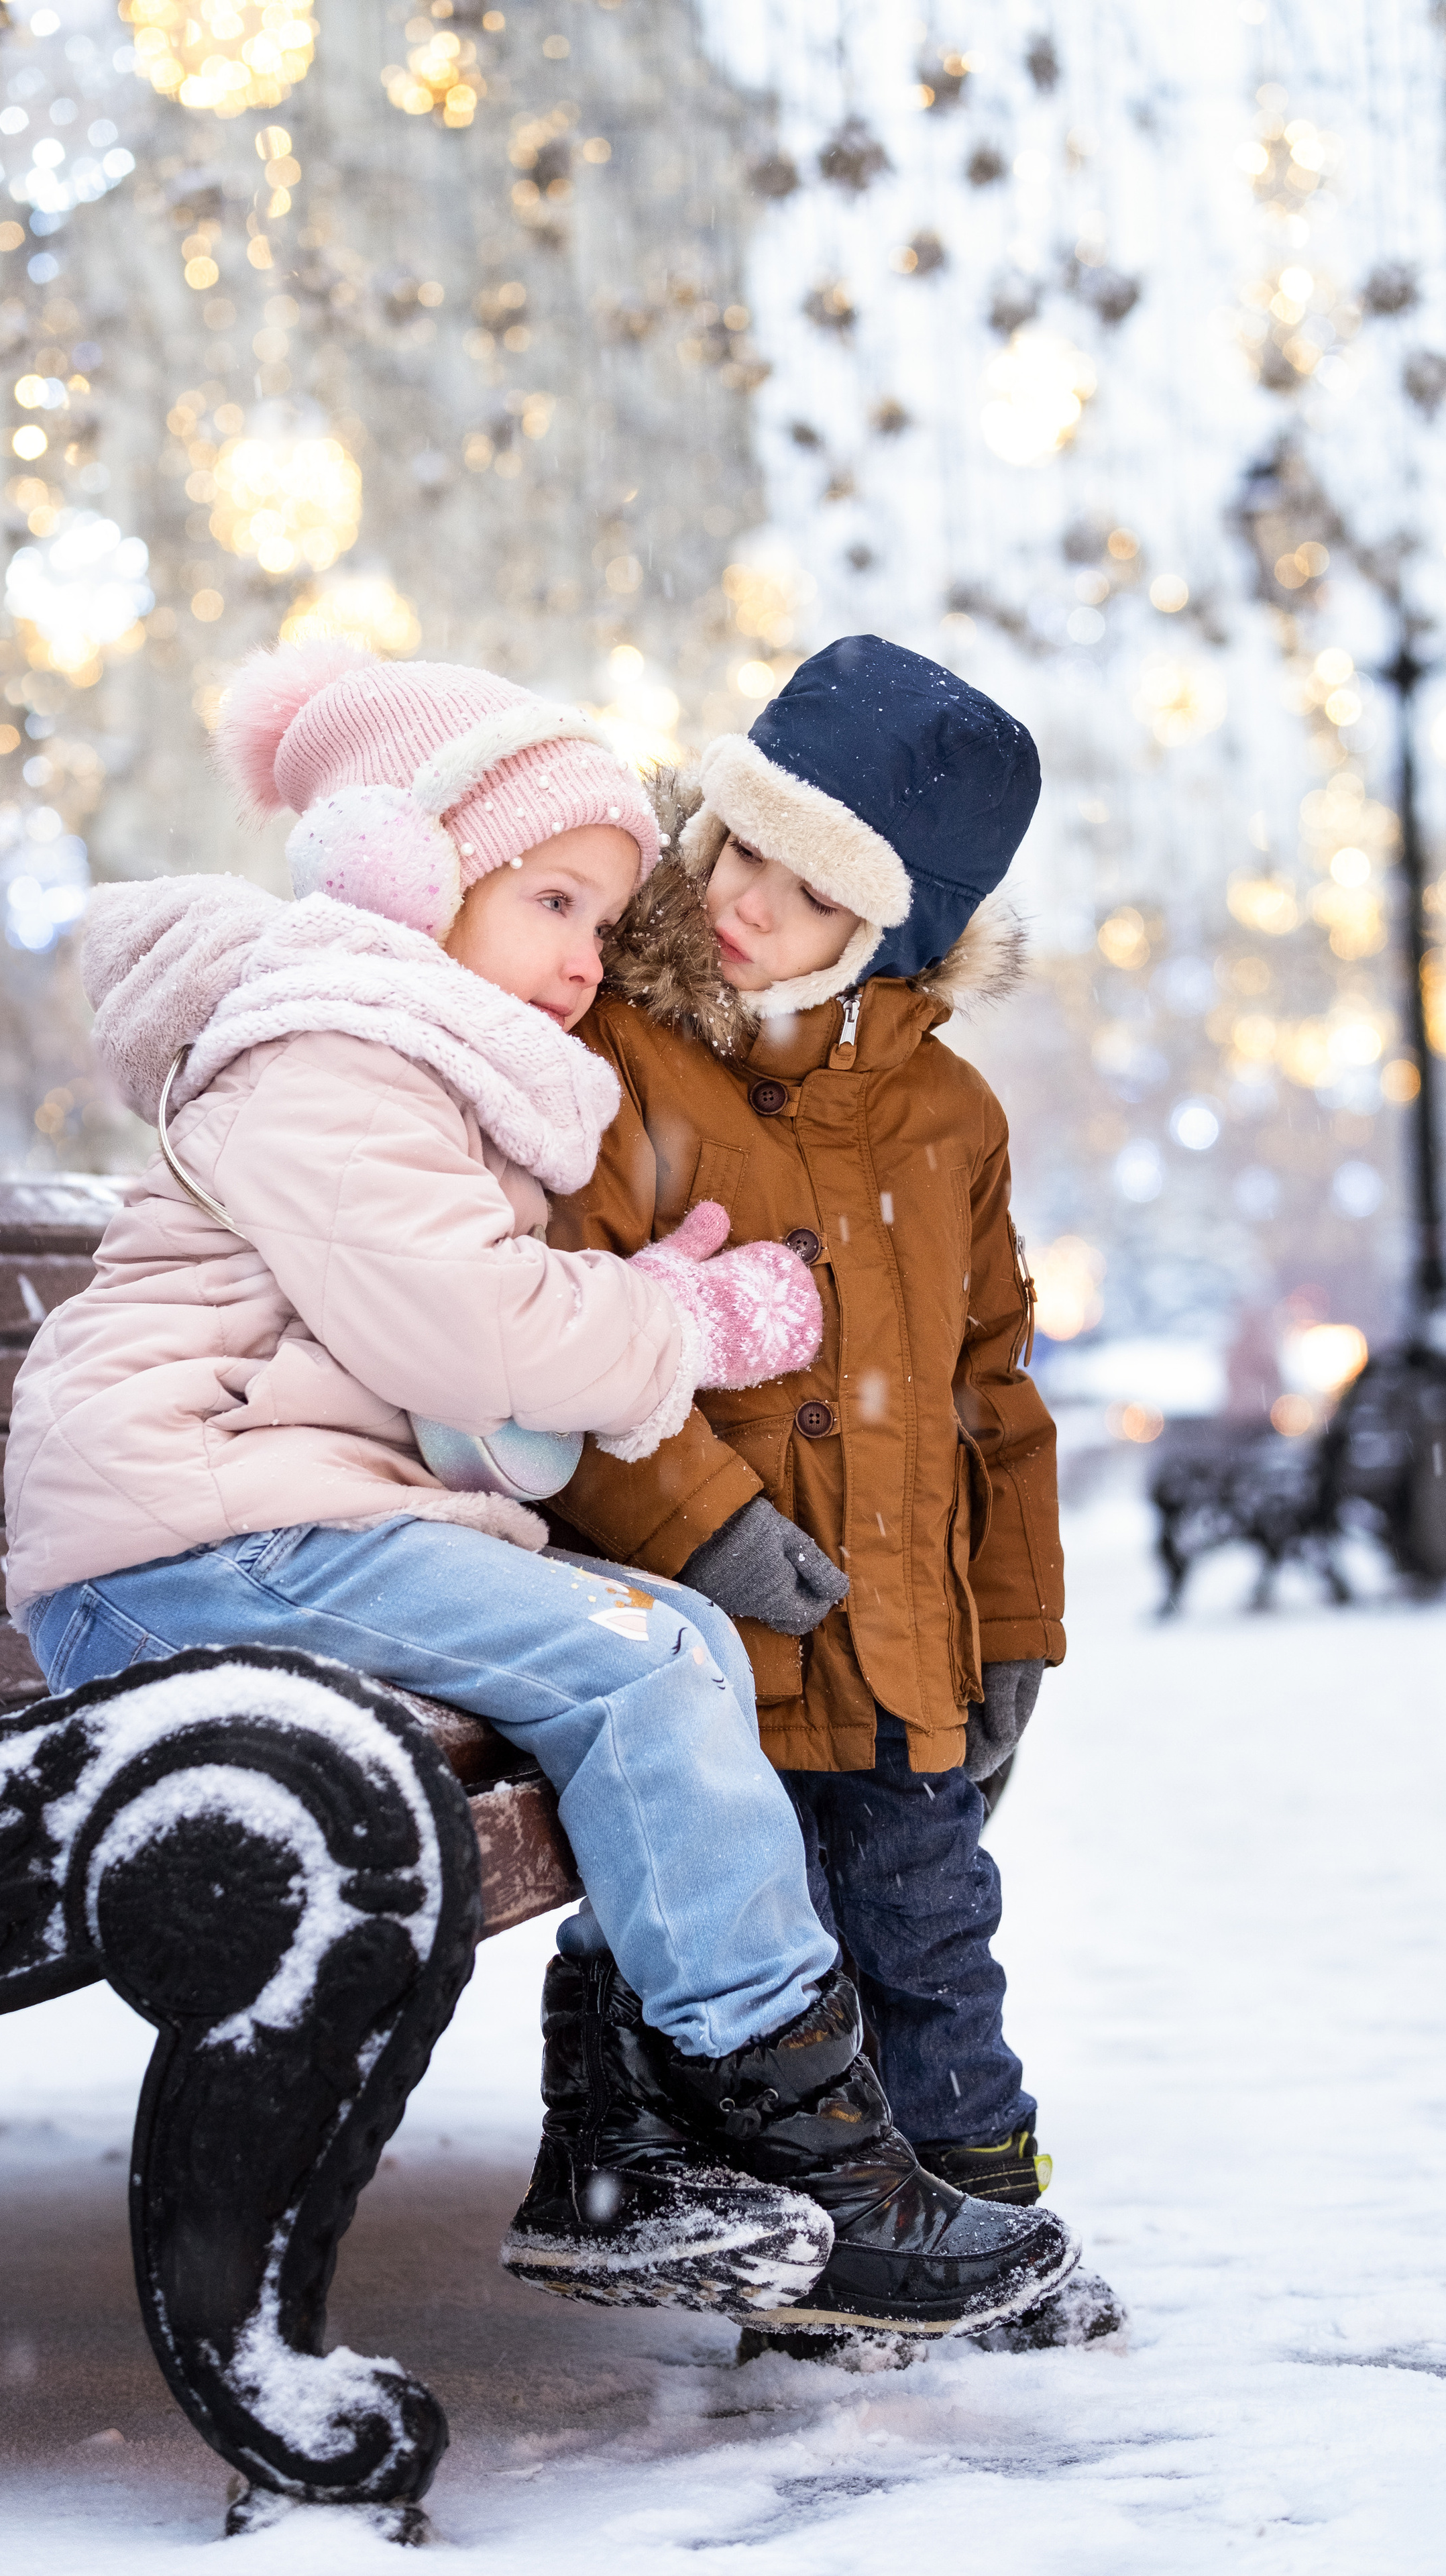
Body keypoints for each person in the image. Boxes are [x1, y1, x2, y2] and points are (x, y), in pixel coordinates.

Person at [2, 636, 1078, 2344]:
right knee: (647, 1659)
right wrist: (679, 1320)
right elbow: (467, 1324)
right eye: (551, 906)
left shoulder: (445, 1067)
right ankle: (795, 2162)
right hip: (190, 1530)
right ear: (408, 879)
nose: (592, 955)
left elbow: (462, 1381)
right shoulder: (332, 1051)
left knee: (659, 1656)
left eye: (600, 914)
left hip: (253, 1521)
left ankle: (683, 2155)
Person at [538, 633, 1123, 2352]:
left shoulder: (947, 1116)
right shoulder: (635, 1065)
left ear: (891, 931)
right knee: (732, 1958)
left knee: (930, 1944)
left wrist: (1011, 1629)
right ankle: (786, 2237)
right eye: (739, 847)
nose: (747, 900)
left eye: (812, 887)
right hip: (710, 1645)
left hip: (906, 1649)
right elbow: (578, 1330)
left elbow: (987, 1395)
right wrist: (706, 1524)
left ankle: (983, 2220)